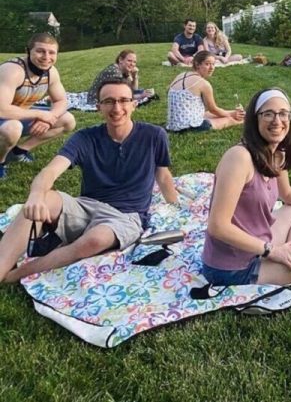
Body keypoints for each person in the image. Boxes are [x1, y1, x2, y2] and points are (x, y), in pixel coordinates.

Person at [0, 78, 178, 283]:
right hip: (86, 207)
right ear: (98, 107)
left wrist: (176, 206)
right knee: (44, 199)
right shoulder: (85, 138)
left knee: (95, 239)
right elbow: (50, 171)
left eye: (123, 100)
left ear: (134, 104)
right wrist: (36, 196)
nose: (117, 107)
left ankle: (17, 274)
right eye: (109, 101)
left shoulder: (154, 135)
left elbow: (162, 175)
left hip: (127, 216)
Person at [201, 88, 291, 286]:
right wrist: (272, 251)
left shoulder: (276, 154)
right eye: (268, 114)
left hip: (259, 245)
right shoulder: (239, 157)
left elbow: (288, 194)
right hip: (233, 267)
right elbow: (217, 226)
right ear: (255, 119)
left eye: (283, 113)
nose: (277, 120)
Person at [0, 33, 76, 178]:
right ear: (28, 51)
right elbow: (2, 109)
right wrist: (40, 114)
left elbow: (61, 101)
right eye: (40, 51)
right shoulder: (13, 71)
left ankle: (18, 152)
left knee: (68, 121)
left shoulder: (51, 73)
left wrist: (50, 117)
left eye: (52, 52)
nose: (46, 57)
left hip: (19, 116)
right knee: (12, 128)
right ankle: (0, 162)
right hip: (5, 118)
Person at [166, 51, 245, 132]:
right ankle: (246, 119)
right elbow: (213, 109)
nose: (211, 68)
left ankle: (239, 114)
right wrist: (231, 115)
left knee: (207, 114)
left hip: (173, 124)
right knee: (229, 119)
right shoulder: (203, 84)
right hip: (190, 127)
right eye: (207, 64)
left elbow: (168, 90)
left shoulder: (181, 75)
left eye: (213, 64)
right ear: (197, 64)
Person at [86, 49, 154, 104]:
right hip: (96, 100)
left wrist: (135, 76)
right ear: (120, 60)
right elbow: (122, 95)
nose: (132, 64)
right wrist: (141, 96)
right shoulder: (114, 72)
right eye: (129, 61)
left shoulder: (122, 70)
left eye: (134, 62)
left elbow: (133, 90)